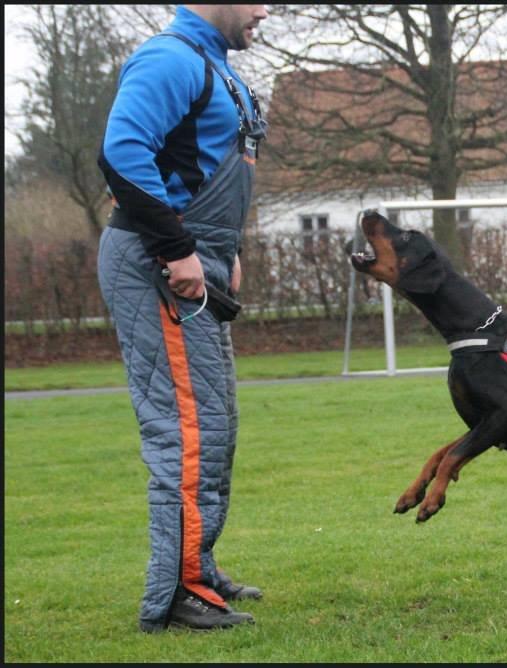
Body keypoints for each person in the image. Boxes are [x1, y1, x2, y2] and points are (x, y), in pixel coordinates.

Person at [97, 4, 269, 633]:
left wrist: (230, 252)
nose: (264, 11)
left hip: (200, 262)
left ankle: (199, 568)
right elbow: (122, 154)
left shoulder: (217, 68)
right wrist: (178, 250)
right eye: (255, 0)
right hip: (159, 265)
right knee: (187, 434)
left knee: (215, 427)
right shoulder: (169, 58)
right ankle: (176, 593)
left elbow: (199, 172)